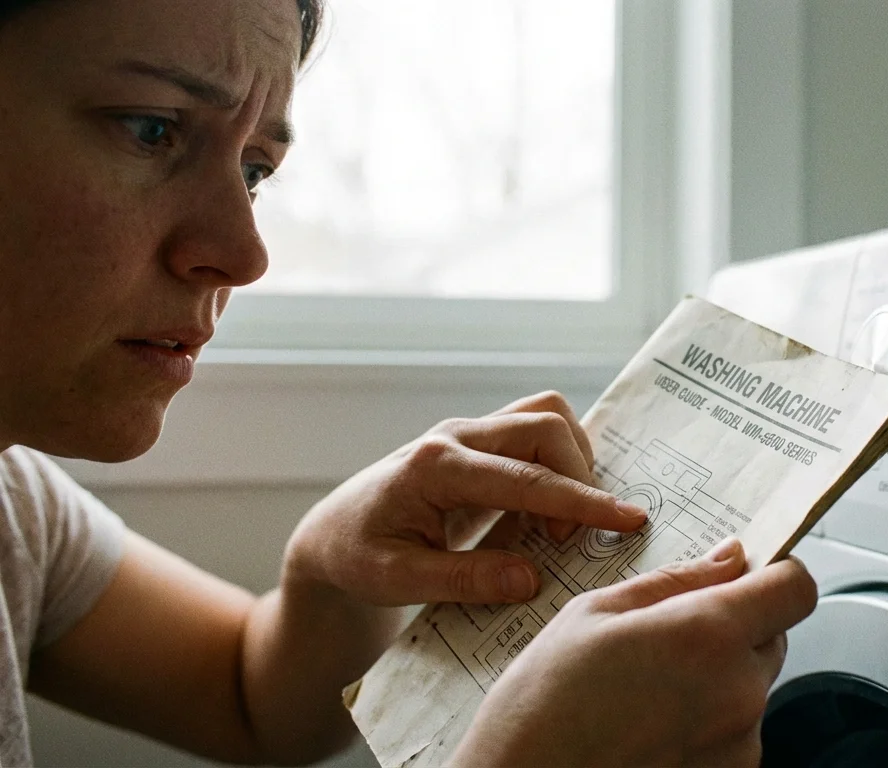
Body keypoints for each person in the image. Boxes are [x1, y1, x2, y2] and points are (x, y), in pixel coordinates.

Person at [0, 0, 819, 765]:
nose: (244, 254)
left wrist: (324, 570)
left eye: (254, 172)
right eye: (151, 130)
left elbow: (252, 699)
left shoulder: (17, 508)